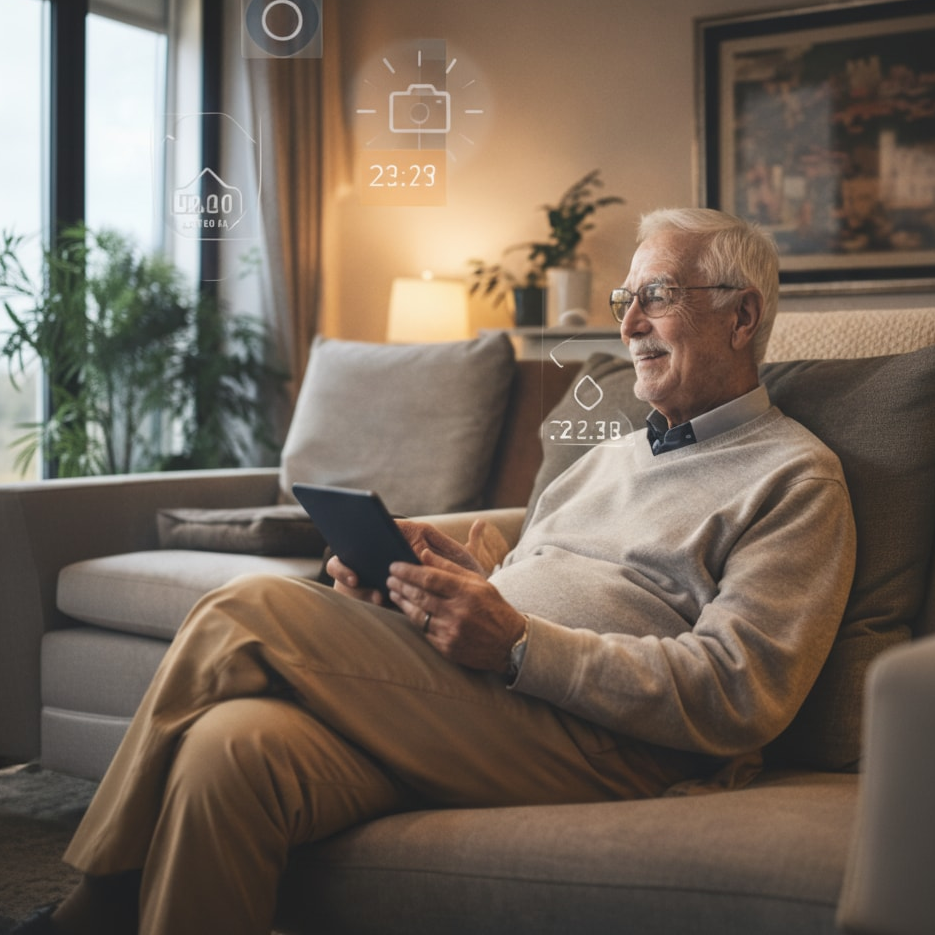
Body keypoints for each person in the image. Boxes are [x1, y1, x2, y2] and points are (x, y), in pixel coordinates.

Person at [18, 208, 856, 935]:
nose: (629, 321)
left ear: (742, 317)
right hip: (486, 698)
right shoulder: (611, 453)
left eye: (657, 296)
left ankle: (94, 905)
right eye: (623, 299)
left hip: (610, 741)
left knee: (245, 607)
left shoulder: (795, 477)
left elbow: (740, 692)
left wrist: (520, 645)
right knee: (227, 751)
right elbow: (543, 566)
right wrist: (464, 575)